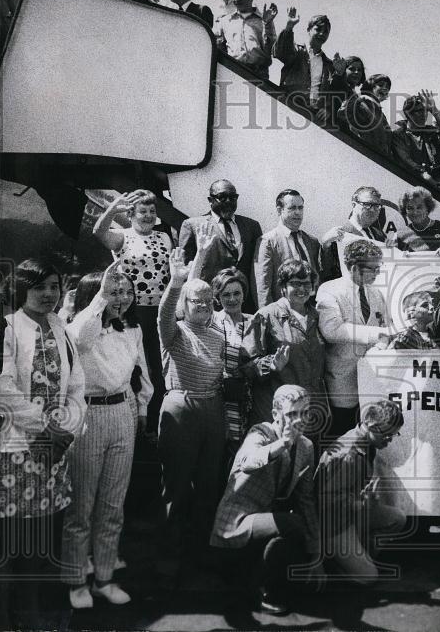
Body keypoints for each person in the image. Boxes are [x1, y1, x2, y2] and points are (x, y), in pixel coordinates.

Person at [0, 259, 86, 630]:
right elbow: (1, 386)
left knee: (38, 547)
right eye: (39, 287)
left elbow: (77, 385)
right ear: (22, 289)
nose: (48, 294)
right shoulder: (7, 327)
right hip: (13, 453)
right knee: (7, 548)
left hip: (52, 457)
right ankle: (4, 621)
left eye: (53, 286)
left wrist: (67, 429)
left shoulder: (62, 328)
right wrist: (45, 427)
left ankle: (32, 618)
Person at [62, 263, 150, 609]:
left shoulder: (132, 330)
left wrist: (141, 408)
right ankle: (75, 582)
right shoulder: (80, 329)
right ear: (95, 296)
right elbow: (79, 334)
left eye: (126, 291)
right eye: (114, 291)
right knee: (81, 506)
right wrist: (100, 298)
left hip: (121, 413)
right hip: (88, 415)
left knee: (113, 505)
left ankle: (104, 578)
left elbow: (141, 372)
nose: (122, 298)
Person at [210, 385, 322, 615]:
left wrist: (316, 555)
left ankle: (262, 587)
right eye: (292, 414)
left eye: (305, 412)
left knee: (294, 532)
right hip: (235, 527)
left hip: (266, 528)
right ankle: (256, 590)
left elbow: (306, 500)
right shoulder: (259, 433)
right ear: (275, 415)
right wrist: (282, 444)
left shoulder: (307, 447)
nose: (300, 420)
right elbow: (248, 462)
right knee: (292, 525)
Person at [156, 244, 226, 579]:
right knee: (178, 485)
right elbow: (164, 312)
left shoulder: (217, 333)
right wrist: (176, 282)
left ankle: (204, 551)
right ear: (185, 304)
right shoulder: (173, 331)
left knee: (209, 485)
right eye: (194, 300)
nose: (201, 304)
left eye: (206, 299)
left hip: (213, 409)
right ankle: (170, 552)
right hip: (182, 407)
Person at [92, 189, 173, 430]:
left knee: (158, 368)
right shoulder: (122, 236)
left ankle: (156, 424)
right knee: (136, 366)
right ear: (132, 214)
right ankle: (135, 422)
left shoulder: (165, 238)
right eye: (142, 211)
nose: (148, 216)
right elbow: (98, 232)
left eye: (152, 211)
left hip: (159, 311)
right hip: (131, 311)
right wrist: (112, 210)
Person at [315, 400, 407, 584]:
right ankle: (329, 560)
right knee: (369, 578)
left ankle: (359, 554)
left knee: (397, 519)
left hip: (351, 512)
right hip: (333, 522)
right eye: (388, 434)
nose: (390, 440)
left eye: (394, 434)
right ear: (371, 426)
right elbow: (326, 504)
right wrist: (361, 503)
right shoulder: (349, 455)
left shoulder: (366, 444)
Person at [316, 240, 391, 438]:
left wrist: (383, 343)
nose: (377, 273)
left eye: (378, 267)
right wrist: (376, 335)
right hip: (342, 386)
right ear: (354, 267)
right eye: (372, 268)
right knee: (342, 440)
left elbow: (385, 328)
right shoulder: (329, 290)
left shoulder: (376, 295)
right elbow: (332, 330)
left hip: (372, 384)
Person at [250, 260, 323, 431]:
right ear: (283, 287)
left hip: (312, 409)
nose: (302, 289)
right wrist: (271, 365)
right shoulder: (266, 316)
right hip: (279, 411)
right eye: (295, 283)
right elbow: (246, 363)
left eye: (307, 284)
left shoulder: (317, 315)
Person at [179, 179, 263, 313]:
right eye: (222, 197)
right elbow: (185, 270)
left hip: (244, 304)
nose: (228, 201)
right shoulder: (193, 226)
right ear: (210, 200)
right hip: (210, 304)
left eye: (233, 197)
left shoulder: (251, 226)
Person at [210, 268, 261, 465]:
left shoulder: (254, 321)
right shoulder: (210, 321)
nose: (232, 299)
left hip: (246, 398)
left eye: (236, 293)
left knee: (242, 453)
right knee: (217, 453)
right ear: (217, 297)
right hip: (217, 397)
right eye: (226, 294)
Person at [255, 189, 326, 307]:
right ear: (279, 210)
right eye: (292, 208)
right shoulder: (268, 241)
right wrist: (270, 319)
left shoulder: (311, 241)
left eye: (300, 208)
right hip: (284, 311)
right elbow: (262, 287)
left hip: (311, 309)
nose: (298, 212)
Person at [320, 186, 396, 279]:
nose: (372, 210)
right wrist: (325, 246)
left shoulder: (379, 235)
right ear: (354, 205)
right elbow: (328, 273)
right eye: (367, 204)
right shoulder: (338, 235)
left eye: (376, 206)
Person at [390, 91, 440, 193]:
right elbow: (406, 161)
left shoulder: (431, 133)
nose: (424, 115)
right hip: (412, 186)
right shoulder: (399, 135)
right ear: (408, 114)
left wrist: (435, 111)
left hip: (438, 188)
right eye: (419, 111)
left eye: (426, 111)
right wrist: (425, 176)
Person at [213, 0, 277, 81]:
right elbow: (219, 49)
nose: (237, 0)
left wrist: (267, 23)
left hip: (259, 75)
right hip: (233, 74)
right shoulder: (224, 22)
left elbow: (271, 49)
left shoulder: (264, 20)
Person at [274, 9, 335, 116]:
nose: (322, 34)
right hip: (290, 104)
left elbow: (331, 92)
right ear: (309, 30)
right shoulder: (297, 50)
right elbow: (281, 52)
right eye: (318, 29)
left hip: (314, 114)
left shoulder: (328, 64)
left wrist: (327, 109)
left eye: (326, 31)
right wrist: (289, 27)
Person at [396, 186, 440, 256]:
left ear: (427, 208)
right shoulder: (400, 235)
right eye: (410, 208)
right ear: (404, 210)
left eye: (419, 207)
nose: (415, 212)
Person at [341, 73, 392, 156]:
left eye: (387, 88)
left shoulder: (382, 115)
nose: (384, 89)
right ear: (370, 87)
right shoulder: (361, 101)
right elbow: (344, 116)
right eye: (380, 85)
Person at [326, 54, 366, 127]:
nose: (357, 72)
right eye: (352, 69)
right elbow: (336, 88)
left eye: (359, 70)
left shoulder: (356, 95)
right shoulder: (339, 85)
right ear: (344, 70)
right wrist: (339, 74)